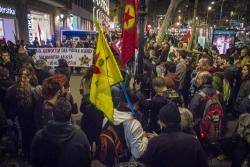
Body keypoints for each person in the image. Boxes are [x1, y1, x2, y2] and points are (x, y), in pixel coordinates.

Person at [142, 102, 208, 167]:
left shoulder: (154, 143)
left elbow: (147, 163)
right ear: (179, 120)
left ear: (162, 122)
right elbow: (203, 164)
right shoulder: (193, 141)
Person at [31, 97, 91, 167]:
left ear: (52, 115)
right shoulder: (81, 137)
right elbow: (87, 162)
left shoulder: (39, 136)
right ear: (70, 117)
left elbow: (34, 161)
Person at [4, 68, 38, 161]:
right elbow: (37, 107)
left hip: (15, 118)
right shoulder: (33, 90)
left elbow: (6, 105)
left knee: (16, 137)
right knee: (27, 138)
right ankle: (26, 156)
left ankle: (17, 155)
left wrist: (9, 116)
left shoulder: (11, 89)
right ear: (29, 78)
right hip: (28, 120)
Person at [111, 90, 148, 160]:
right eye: (137, 104)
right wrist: (145, 138)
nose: (138, 107)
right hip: (126, 161)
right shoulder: (134, 124)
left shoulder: (107, 116)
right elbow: (137, 154)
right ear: (134, 105)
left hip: (110, 161)